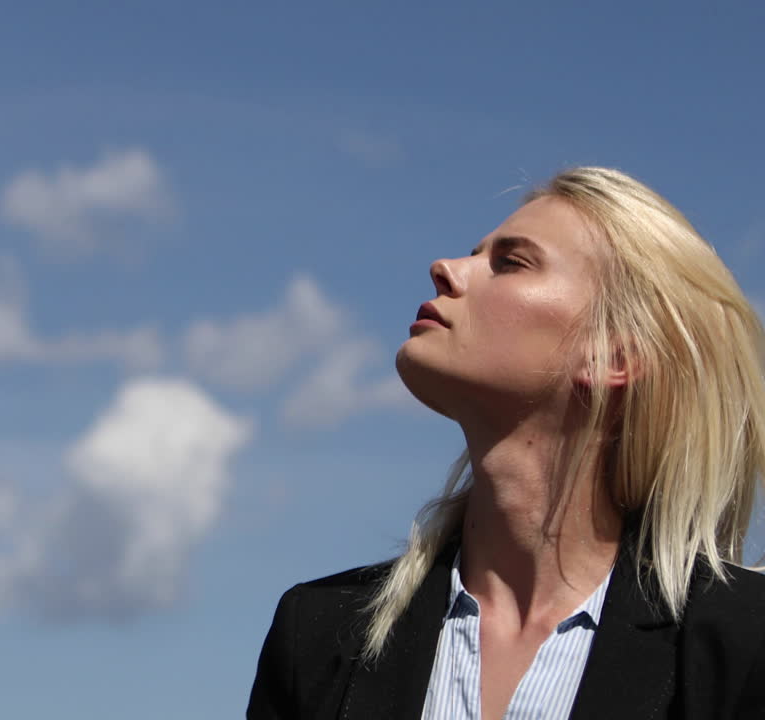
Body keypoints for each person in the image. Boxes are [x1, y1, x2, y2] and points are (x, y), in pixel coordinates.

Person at [247, 167, 765, 719]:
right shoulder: (318, 633)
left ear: (615, 356)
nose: (444, 269)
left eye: (512, 262)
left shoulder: (742, 645)